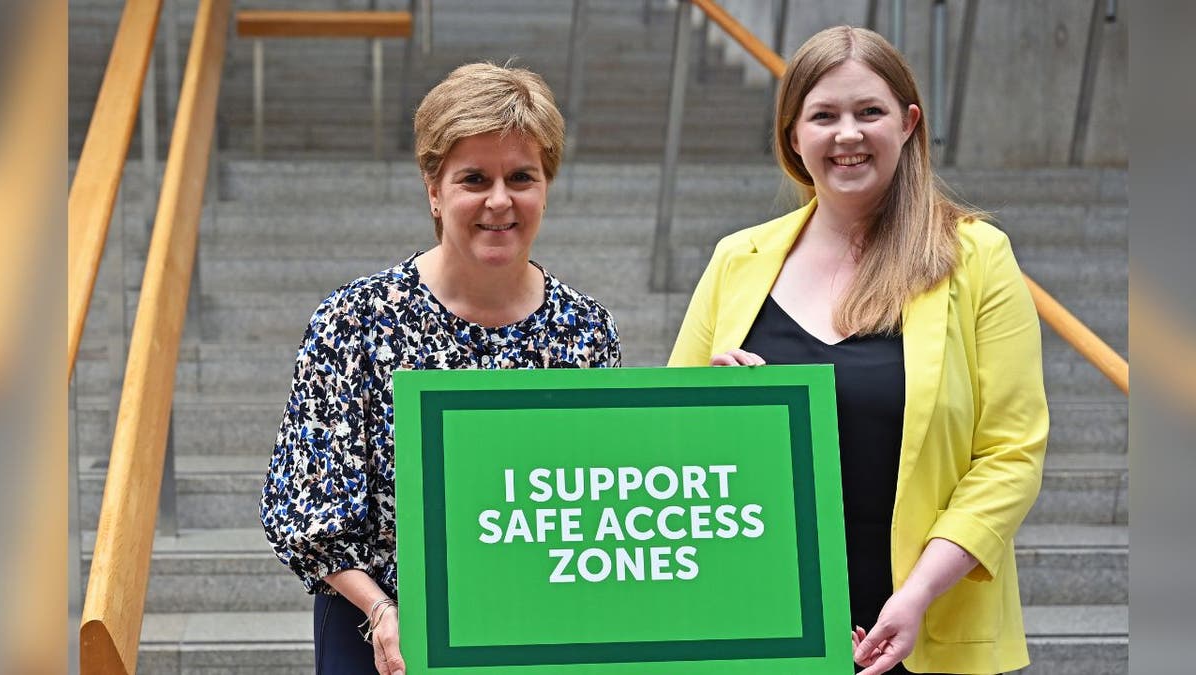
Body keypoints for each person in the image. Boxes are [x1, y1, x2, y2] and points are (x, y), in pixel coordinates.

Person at [668, 26, 1047, 675]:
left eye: (869, 111)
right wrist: (714, 405)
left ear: (908, 123)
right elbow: (673, 442)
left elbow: (1011, 454)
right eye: (824, 116)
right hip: (765, 626)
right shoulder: (737, 260)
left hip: (927, 624)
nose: (848, 134)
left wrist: (917, 595)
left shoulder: (977, 256)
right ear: (793, 135)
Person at [260, 62, 621, 675]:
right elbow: (307, 507)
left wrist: (724, 400)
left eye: (521, 177)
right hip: (379, 630)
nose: (500, 200)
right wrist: (380, 610)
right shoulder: (356, 320)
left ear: (546, 187)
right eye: (474, 178)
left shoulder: (587, 330)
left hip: (532, 628)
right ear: (434, 190)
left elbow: (597, 498)